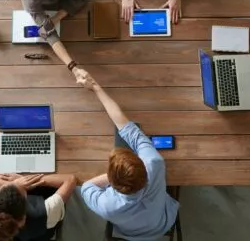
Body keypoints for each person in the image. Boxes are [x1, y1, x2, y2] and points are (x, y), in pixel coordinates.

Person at [77, 73, 179, 240]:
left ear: (111, 181)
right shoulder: (154, 163)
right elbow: (128, 128)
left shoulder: (107, 205)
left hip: (130, 234)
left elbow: (87, 185)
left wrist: (95, 87)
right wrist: (95, 86)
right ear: (142, 166)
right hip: (163, 222)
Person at [10, 0, 90, 80]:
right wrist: (73, 67)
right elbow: (48, 30)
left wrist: (57, 17)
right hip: (23, 4)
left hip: (58, 5)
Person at [0, 173, 77, 241]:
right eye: (24, 191)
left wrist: (14, 184)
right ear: (23, 216)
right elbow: (71, 179)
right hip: (41, 232)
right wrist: (28, 180)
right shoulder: (48, 213)